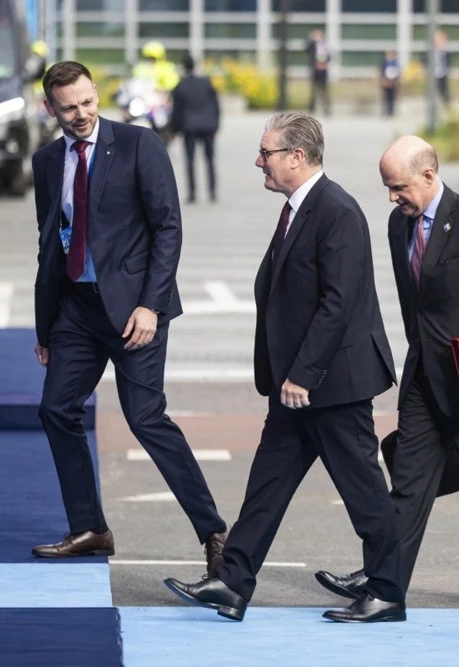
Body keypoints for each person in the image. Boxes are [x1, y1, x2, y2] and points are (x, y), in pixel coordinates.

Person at [164, 112, 405, 624]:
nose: (259, 162)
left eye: (266, 153)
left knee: (364, 491)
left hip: (332, 384)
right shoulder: (300, 209)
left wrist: (303, 374)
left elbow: (338, 304)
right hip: (294, 385)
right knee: (266, 486)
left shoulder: (337, 211)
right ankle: (232, 583)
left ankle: (386, 592)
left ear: (296, 156)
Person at [316, 136, 459, 608]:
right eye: (387, 187)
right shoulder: (399, 224)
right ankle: (382, 579)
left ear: (429, 176)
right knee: (408, 482)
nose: (391, 197)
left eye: (398, 187)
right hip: (423, 376)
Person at [29, 61, 227, 575]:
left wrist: (151, 305)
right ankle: (89, 528)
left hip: (135, 309)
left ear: (97, 94)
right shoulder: (47, 160)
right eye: (68, 108)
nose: (81, 114)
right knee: (56, 409)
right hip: (76, 309)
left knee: (145, 418)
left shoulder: (140, 144)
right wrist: (45, 326)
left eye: (87, 102)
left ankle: (215, 534)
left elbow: (168, 228)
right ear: (51, 108)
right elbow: (49, 244)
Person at [170, 54, 219, 204]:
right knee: (209, 159)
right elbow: (215, 105)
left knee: (190, 160)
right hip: (208, 125)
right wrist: (216, 123)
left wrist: (174, 128)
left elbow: (176, 110)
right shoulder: (206, 82)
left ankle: (192, 193)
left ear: (183, 67)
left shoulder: (180, 85)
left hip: (189, 126)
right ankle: (212, 191)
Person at [306, 29, 331, 117]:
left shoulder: (326, 45)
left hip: (323, 70)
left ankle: (326, 110)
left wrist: (324, 64)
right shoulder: (312, 45)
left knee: (325, 90)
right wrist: (311, 40)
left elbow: (329, 56)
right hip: (315, 70)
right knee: (313, 91)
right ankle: (312, 109)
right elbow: (306, 49)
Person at [379, 50, 401, 117]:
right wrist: (383, 80)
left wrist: (396, 81)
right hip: (386, 82)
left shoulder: (395, 63)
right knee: (385, 97)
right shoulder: (384, 63)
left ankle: (391, 111)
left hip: (393, 83)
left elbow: (398, 72)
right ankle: (385, 111)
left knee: (392, 97)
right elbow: (381, 72)